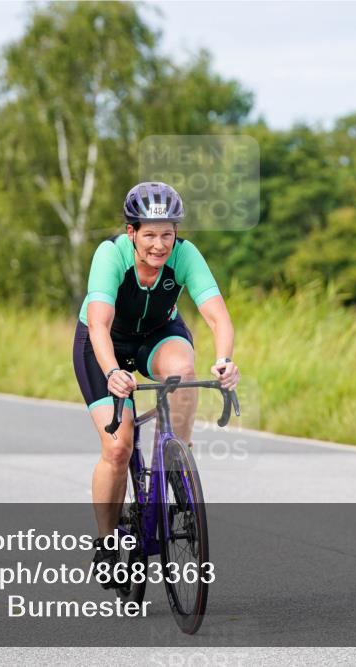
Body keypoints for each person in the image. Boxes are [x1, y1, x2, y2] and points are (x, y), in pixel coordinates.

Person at [72, 182, 239, 584]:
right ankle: (106, 541)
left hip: (158, 334)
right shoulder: (110, 256)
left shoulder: (185, 255)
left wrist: (225, 360)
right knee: (118, 446)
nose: (160, 245)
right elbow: (99, 323)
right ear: (132, 232)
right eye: (149, 234)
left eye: (167, 234)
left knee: (182, 373)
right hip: (104, 343)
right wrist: (113, 371)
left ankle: (176, 459)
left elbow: (218, 317)